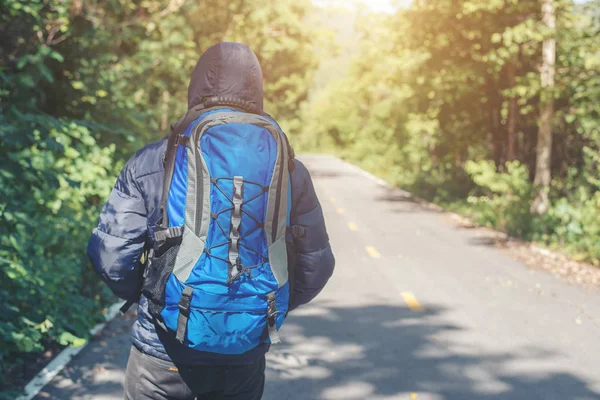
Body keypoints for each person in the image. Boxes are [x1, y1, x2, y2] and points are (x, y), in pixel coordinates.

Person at [87, 42, 335, 400]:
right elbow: (317, 265)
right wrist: (262, 303)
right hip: (244, 353)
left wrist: (152, 295)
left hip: (163, 351)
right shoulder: (290, 171)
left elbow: (112, 257)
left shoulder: (152, 161)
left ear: (195, 88)